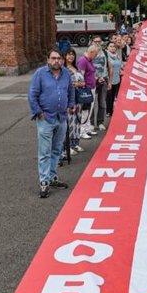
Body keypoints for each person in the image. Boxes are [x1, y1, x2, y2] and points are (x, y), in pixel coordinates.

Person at [28, 48, 75, 198]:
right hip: (45, 118)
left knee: (56, 150)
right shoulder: (40, 74)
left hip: (61, 118)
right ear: (48, 60)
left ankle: (52, 177)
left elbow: (71, 90)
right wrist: (38, 112)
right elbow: (32, 94)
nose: (56, 61)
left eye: (58, 58)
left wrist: (71, 105)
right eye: (53, 58)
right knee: (44, 152)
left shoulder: (66, 73)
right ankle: (44, 182)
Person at [63, 48, 85, 157]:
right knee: (70, 123)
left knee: (77, 121)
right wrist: (75, 84)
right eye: (68, 54)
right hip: (70, 99)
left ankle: (76, 143)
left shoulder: (76, 68)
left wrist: (80, 84)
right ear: (64, 56)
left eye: (72, 55)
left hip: (79, 99)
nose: (71, 56)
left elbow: (82, 82)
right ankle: (68, 146)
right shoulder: (64, 69)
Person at [76, 44, 100, 139]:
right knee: (85, 110)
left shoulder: (89, 60)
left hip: (91, 88)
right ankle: (82, 130)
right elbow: (81, 77)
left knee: (89, 109)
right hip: (86, 89)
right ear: (91, 52)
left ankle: (87, 128)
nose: (96, 56)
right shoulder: (83, 61)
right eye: (96, 54)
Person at [90, 35, 109, 131]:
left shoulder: (105, 52)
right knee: (92, 103)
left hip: (104, 79)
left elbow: (109, 66)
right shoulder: (90, 52)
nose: (97, 43)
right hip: (93, 81)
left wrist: (108, 80)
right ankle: (92, 123)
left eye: (99, 41)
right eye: (95, 41)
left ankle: (100, 122)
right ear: (92, 42)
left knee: (102, 102)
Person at [105, 41, 123, 116]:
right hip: (109, 80)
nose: (112, 48)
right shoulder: (106, 56)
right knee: (109, 97)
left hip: (117, 79)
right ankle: (108, 111)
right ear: (107, 48)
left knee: (114, 97)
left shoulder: (117, 55)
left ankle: (112, 110)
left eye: (114, 47)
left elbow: (120, 66)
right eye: (111, 46)